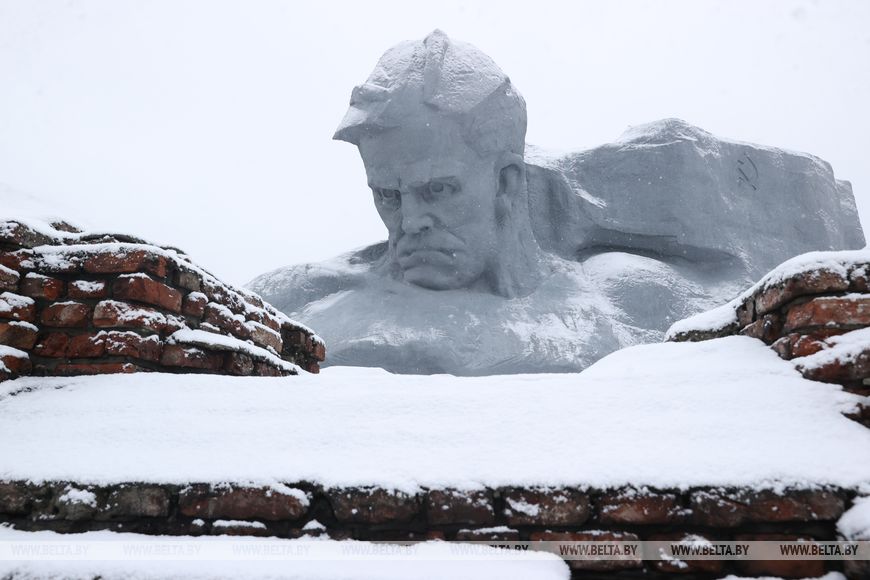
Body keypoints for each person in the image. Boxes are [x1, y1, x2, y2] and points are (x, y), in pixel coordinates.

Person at [249, 30, 863, 375]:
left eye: (438, 190)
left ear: (508, 184)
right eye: (387, 195)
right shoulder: (298, 305)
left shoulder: (627, 301)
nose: (410, 222)